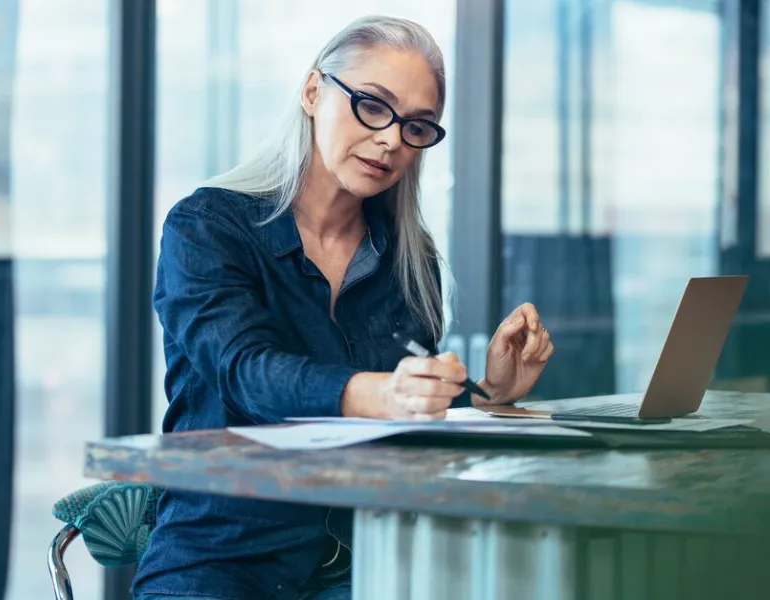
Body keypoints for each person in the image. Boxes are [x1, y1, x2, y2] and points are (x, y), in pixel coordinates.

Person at [133, 15, 554, 600]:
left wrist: (487, 391)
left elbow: (403, 406)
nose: (390, 140)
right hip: (222, 557)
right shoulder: (208, 227)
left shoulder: (408, 257)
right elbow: (245, 371)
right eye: (373, 106)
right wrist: (379, 394)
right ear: (312, 92)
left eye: (417, 126)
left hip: (369, 558)